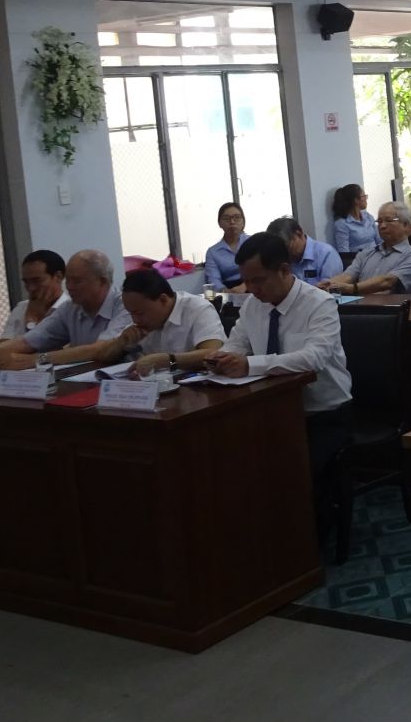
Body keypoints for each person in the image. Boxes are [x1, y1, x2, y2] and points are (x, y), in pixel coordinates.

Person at [205, 232, 353, 553]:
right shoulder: (253, 306)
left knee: (291, 468)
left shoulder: (319, 304)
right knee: (231, 463)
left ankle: (302, 548)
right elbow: (236, 344)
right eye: (246, 281)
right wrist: (221, 359)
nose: (251, 289)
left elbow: (314, 359)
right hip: (268, 411)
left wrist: (250, 365)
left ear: (284, 270)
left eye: (258, 281)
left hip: (322, 414)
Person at [0, 249, 132, 370]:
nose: (69, 287)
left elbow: (100, 349)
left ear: (102, 282)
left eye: (77, 281)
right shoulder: (70, 308)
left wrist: (34, 360)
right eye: (68, 280)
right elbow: (28, 341)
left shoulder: (126, 305)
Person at [87, 267, 225, 375]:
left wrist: (168, 360)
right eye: (131, 313)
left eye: (139, 313)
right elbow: (103, 355)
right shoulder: (141, 319)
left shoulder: (197, 308)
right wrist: (121, 342)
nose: (135, 319)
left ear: (163, 300)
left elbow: (212, 353)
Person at [327, 202, 411, 295]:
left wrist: (351, 288)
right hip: (358, 306)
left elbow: (387, 282)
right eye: (379, 221)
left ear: (407, 226)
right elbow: (348, 276)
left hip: (391, 307)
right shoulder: (366, 253)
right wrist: (327, 285)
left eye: (389, 221)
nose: (382, 226)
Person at [0, 249, 69, 340]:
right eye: (26, 282)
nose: (31, 288)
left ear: (58, 277)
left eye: (37, 281)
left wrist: (33, 318)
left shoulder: (71, 310)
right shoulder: (21, 308)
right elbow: (3, 346)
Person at [268, 216, 343, 285]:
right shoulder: (281, 259)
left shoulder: (326, 254)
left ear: (299, 234)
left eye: (288, 247)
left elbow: (329, 289)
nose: (286, 254)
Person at [204, 201, 249, 290]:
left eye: (237, 217)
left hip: (253, 285)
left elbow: (264, 270)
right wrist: (226, 292)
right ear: (219, 223)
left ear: (243, 221)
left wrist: (245, 286)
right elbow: (213, 280)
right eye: (226, 218)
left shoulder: (253, 242)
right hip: (228, 290)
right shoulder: (212, 252)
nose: (232, 222)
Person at [328, 184, 379, 253]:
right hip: (359, 258)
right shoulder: (342, 224)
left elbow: (379, 240)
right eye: (364, 196)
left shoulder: (368, 216)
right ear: (356, 200)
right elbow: (344, 253)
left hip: (376, 255)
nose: (366, 199)